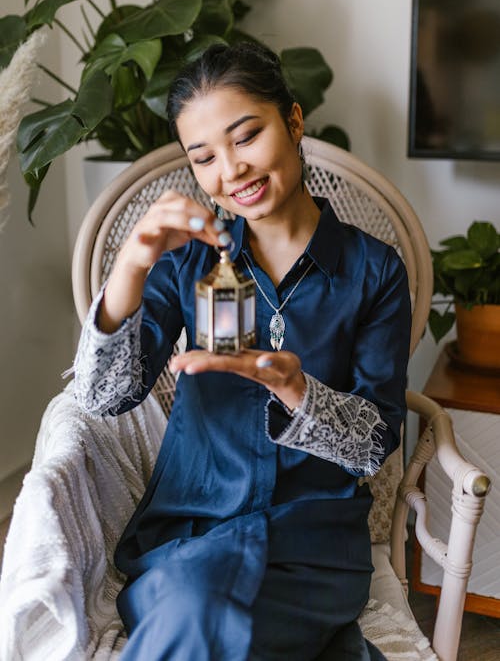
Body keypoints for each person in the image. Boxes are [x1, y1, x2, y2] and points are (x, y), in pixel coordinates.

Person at [73, 41, 411, 661]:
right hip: (189, 533)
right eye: (203, 158)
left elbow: (372, 444)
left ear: (294, 121)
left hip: (310, 550)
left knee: (197, 612)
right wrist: (133, 263)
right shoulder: (190, 259)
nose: (230, 172)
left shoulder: (374, 270)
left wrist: (293, 388)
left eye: (246, 136)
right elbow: (105, 395)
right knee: (197, 599)